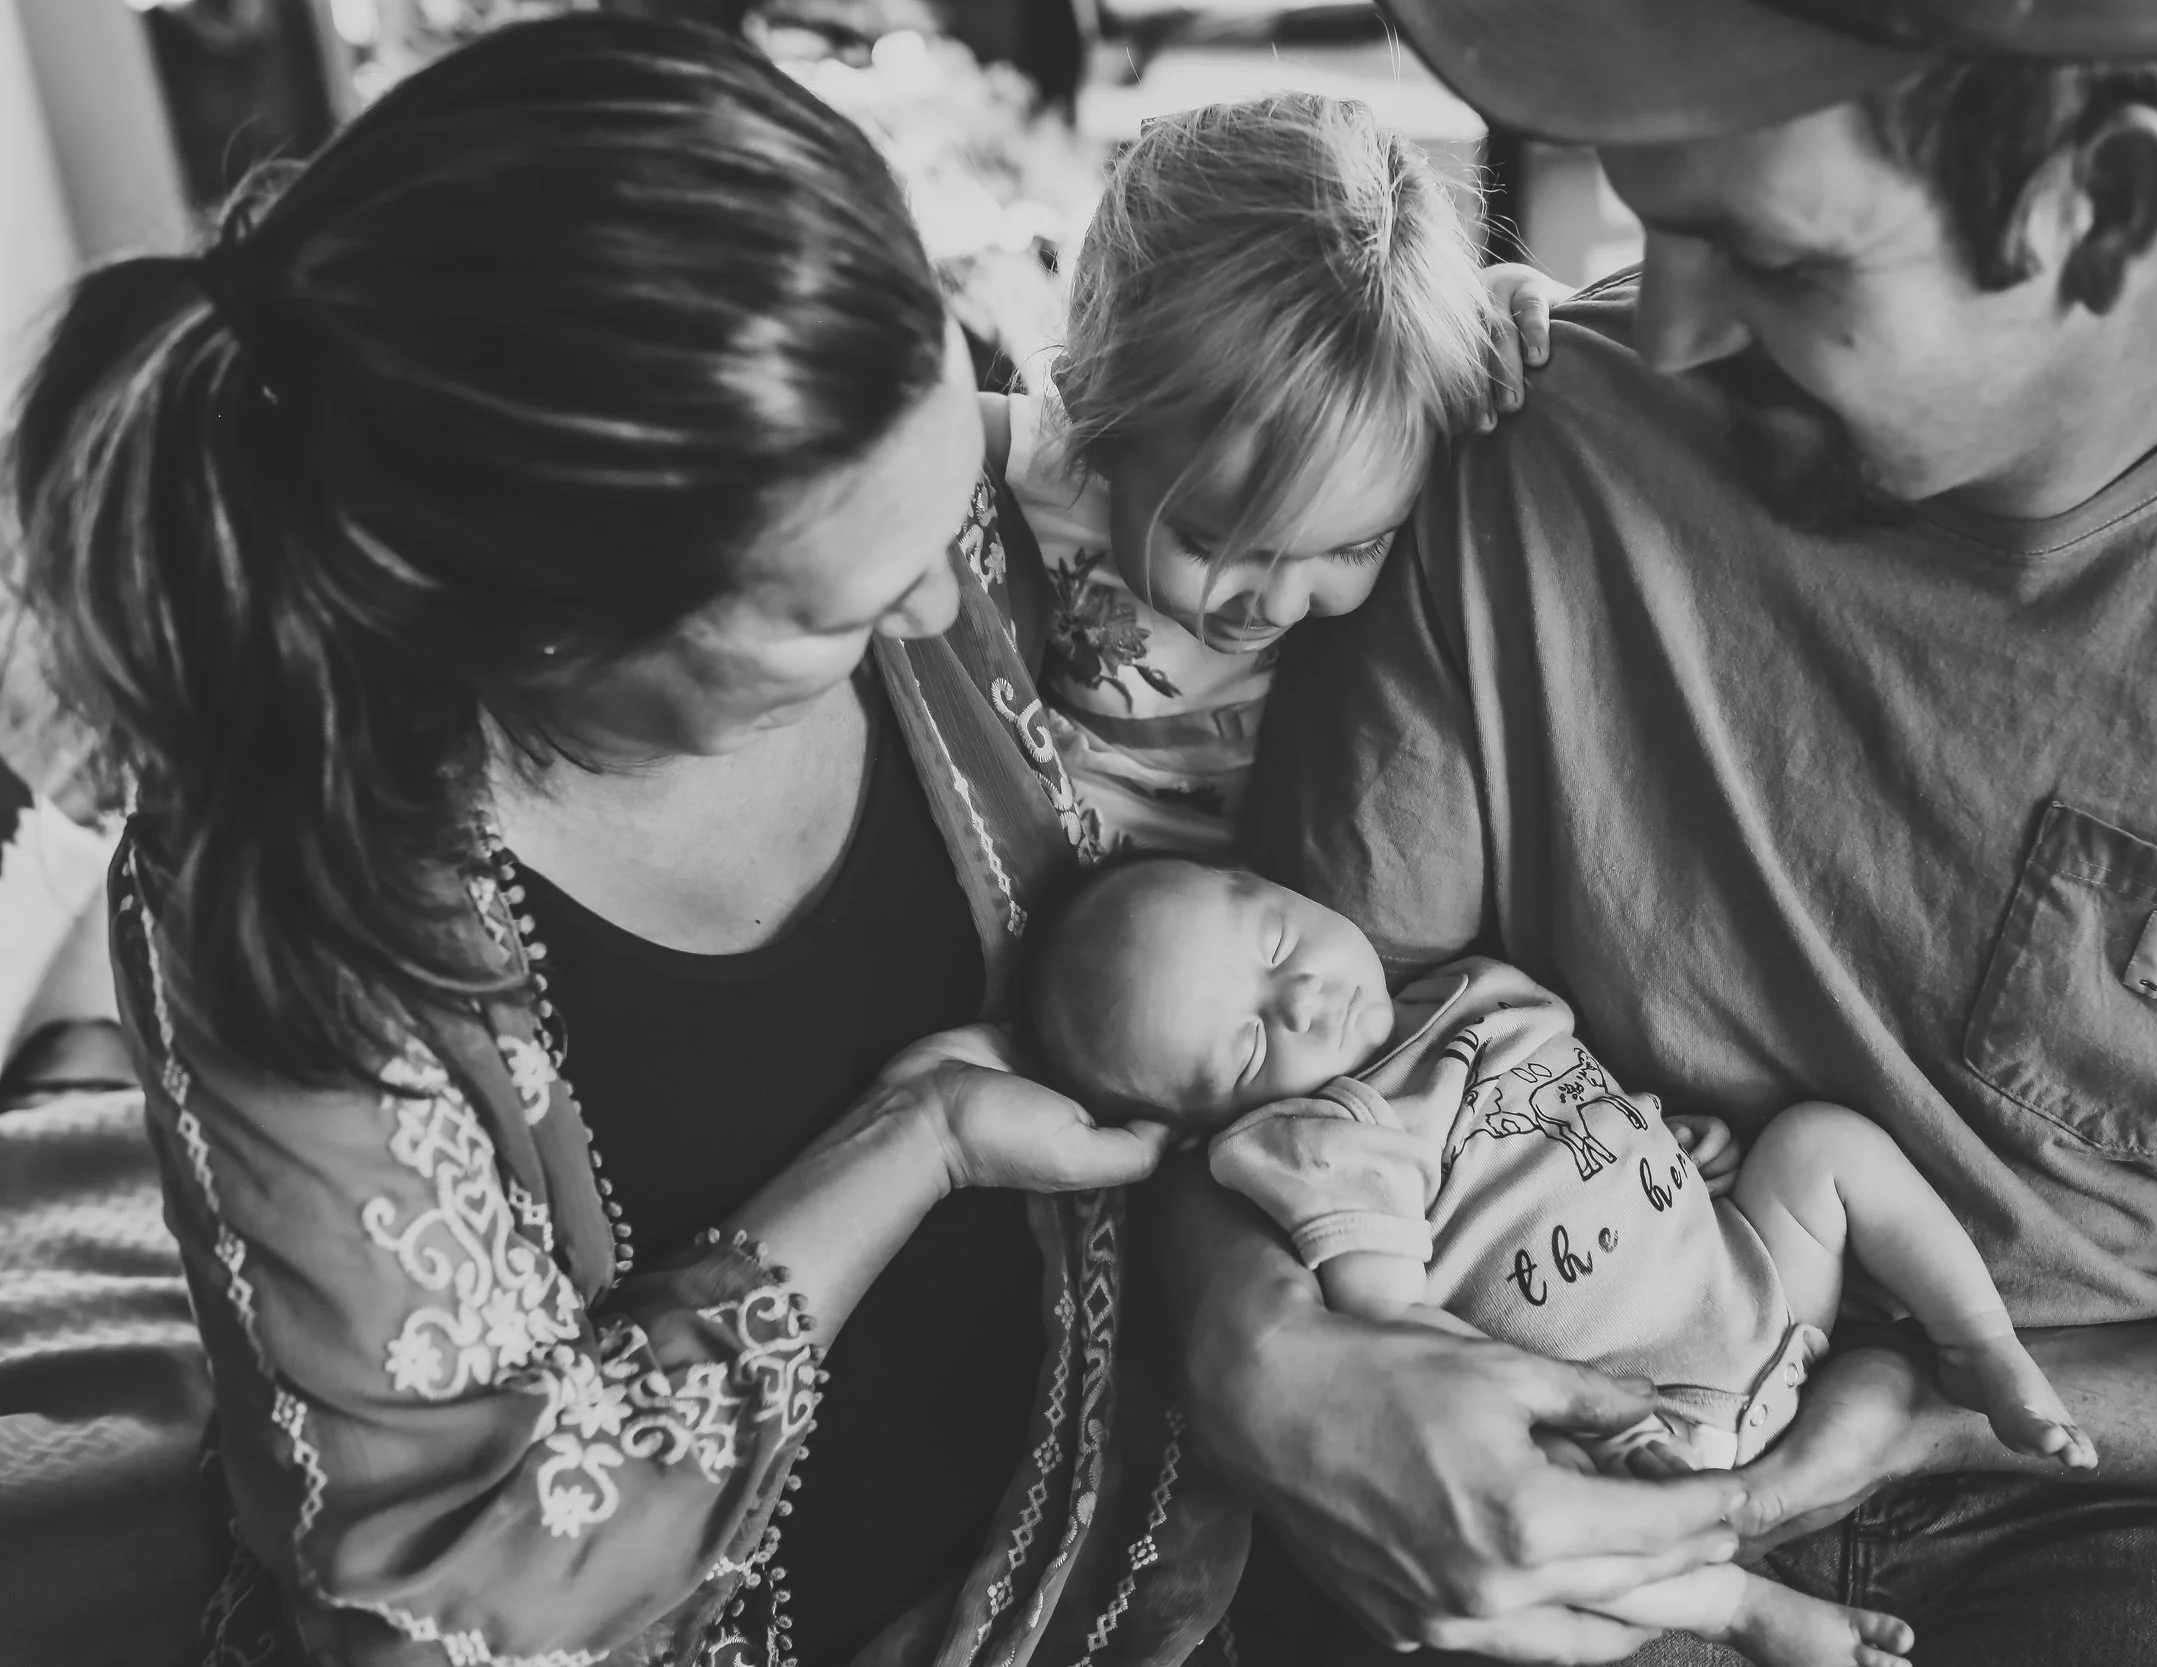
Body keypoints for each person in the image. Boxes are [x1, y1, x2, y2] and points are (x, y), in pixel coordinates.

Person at [1158, 1, 2157, 1663]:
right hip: (1553, 1413)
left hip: (2106, 1499)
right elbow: (1277, 1051)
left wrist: (1950, 1405)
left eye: (1775, 263)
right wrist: (1259, 1355)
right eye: (1657, 226)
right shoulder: (1527, 449)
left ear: (2109, 206)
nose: (1667, 328)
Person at [7, 17, 1241, 1665]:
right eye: (846, 610)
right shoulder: (298, 915)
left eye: (949, 505)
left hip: (1098, 1551)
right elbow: (459, 1568)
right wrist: (909, 1144)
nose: (957, 603)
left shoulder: (891, 496)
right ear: (552, 634)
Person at [1029, 854, 2111, 1666]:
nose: (1306, 997)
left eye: (1272, 945)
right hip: (1644, 1430)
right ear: (1214, 1117)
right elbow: (1397, 1331)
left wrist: (1675, 1144)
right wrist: (1589, 1422)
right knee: (1545, 1519)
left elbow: (1568, 1114)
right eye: (1253, 1045)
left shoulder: (1465, 996)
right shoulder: (1326, 1138)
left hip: (1761, 1295)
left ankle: (1982, 1344)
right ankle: (1744, 1606)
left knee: (1820, 1145)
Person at [998, 91, 1567, 857]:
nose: (1283, 601)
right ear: (1092, 427)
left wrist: (1526, 312)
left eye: (1354, 549)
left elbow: (1528, 400)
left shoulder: (1399, 436)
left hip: (1273, 914)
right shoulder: (1032, 459)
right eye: (1213, 546)